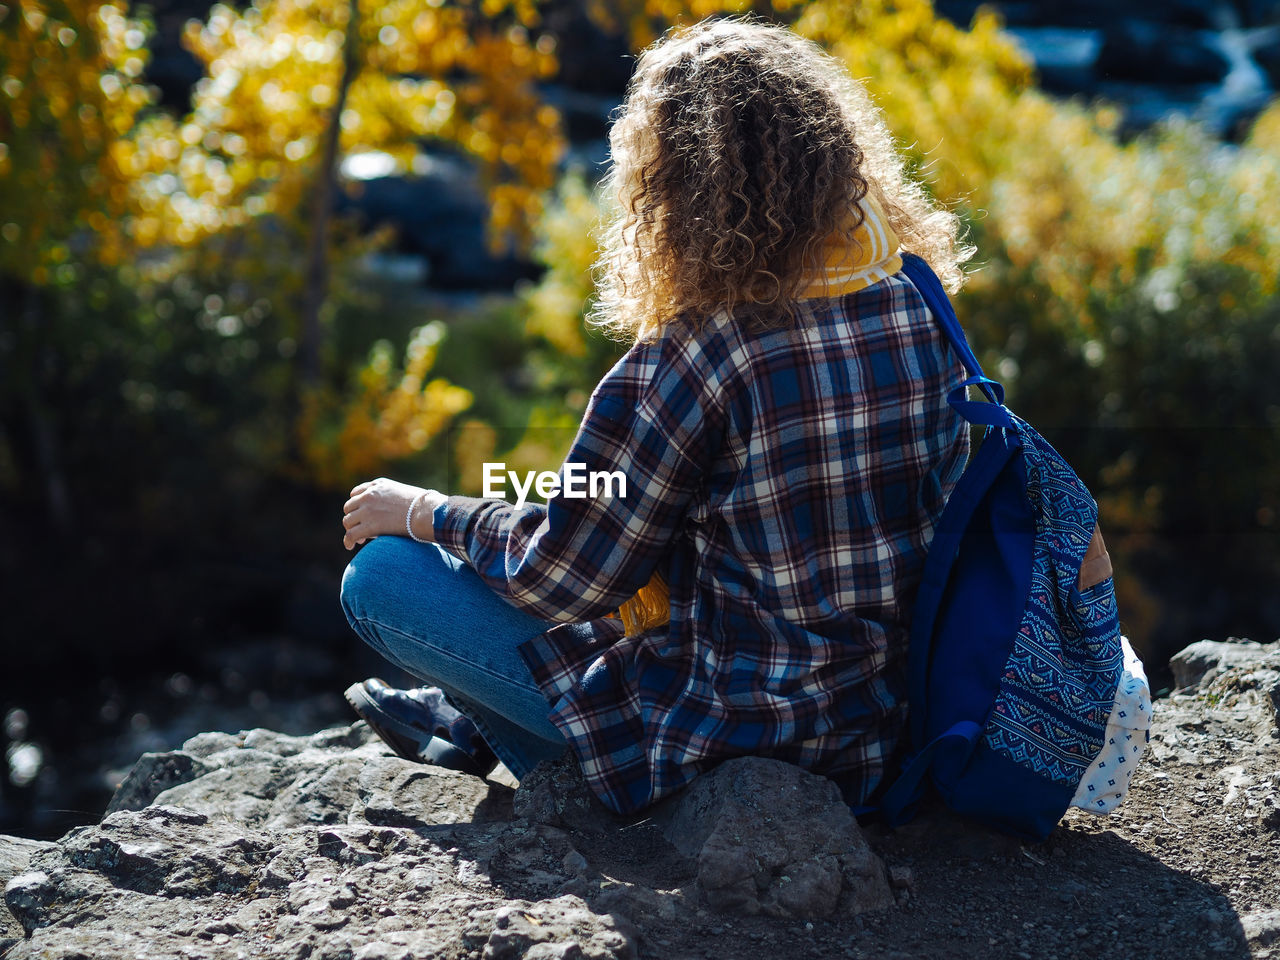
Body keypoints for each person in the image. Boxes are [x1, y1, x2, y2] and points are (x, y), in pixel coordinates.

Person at [339, 15, 973, 816]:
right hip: (888, 730)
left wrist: (427, 512)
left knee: (381, 578)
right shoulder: (917, 302)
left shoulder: (693, 357)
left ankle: (550, 770)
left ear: (675, 183)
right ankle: (475, 726)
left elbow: (564, 575)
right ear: (832, 154)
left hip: (731, 740)